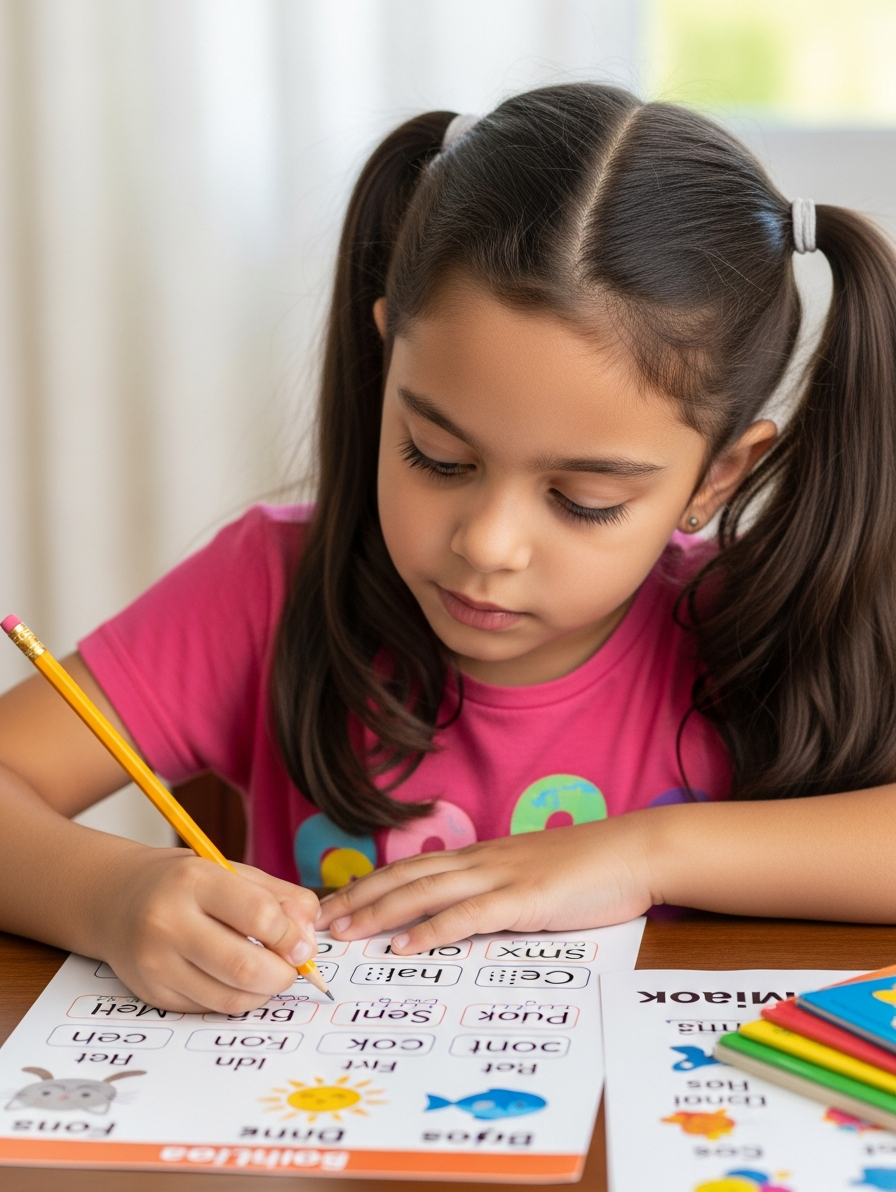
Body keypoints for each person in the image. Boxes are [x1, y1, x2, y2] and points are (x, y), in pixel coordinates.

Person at [4, 84, 896, 1015]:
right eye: (437, 456)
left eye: (584, 501)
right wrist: (108, 897)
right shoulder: (267, 587)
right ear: (386, 357)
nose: (488, 544)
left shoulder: (761, 625)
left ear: (717, 476)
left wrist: (641, 853)